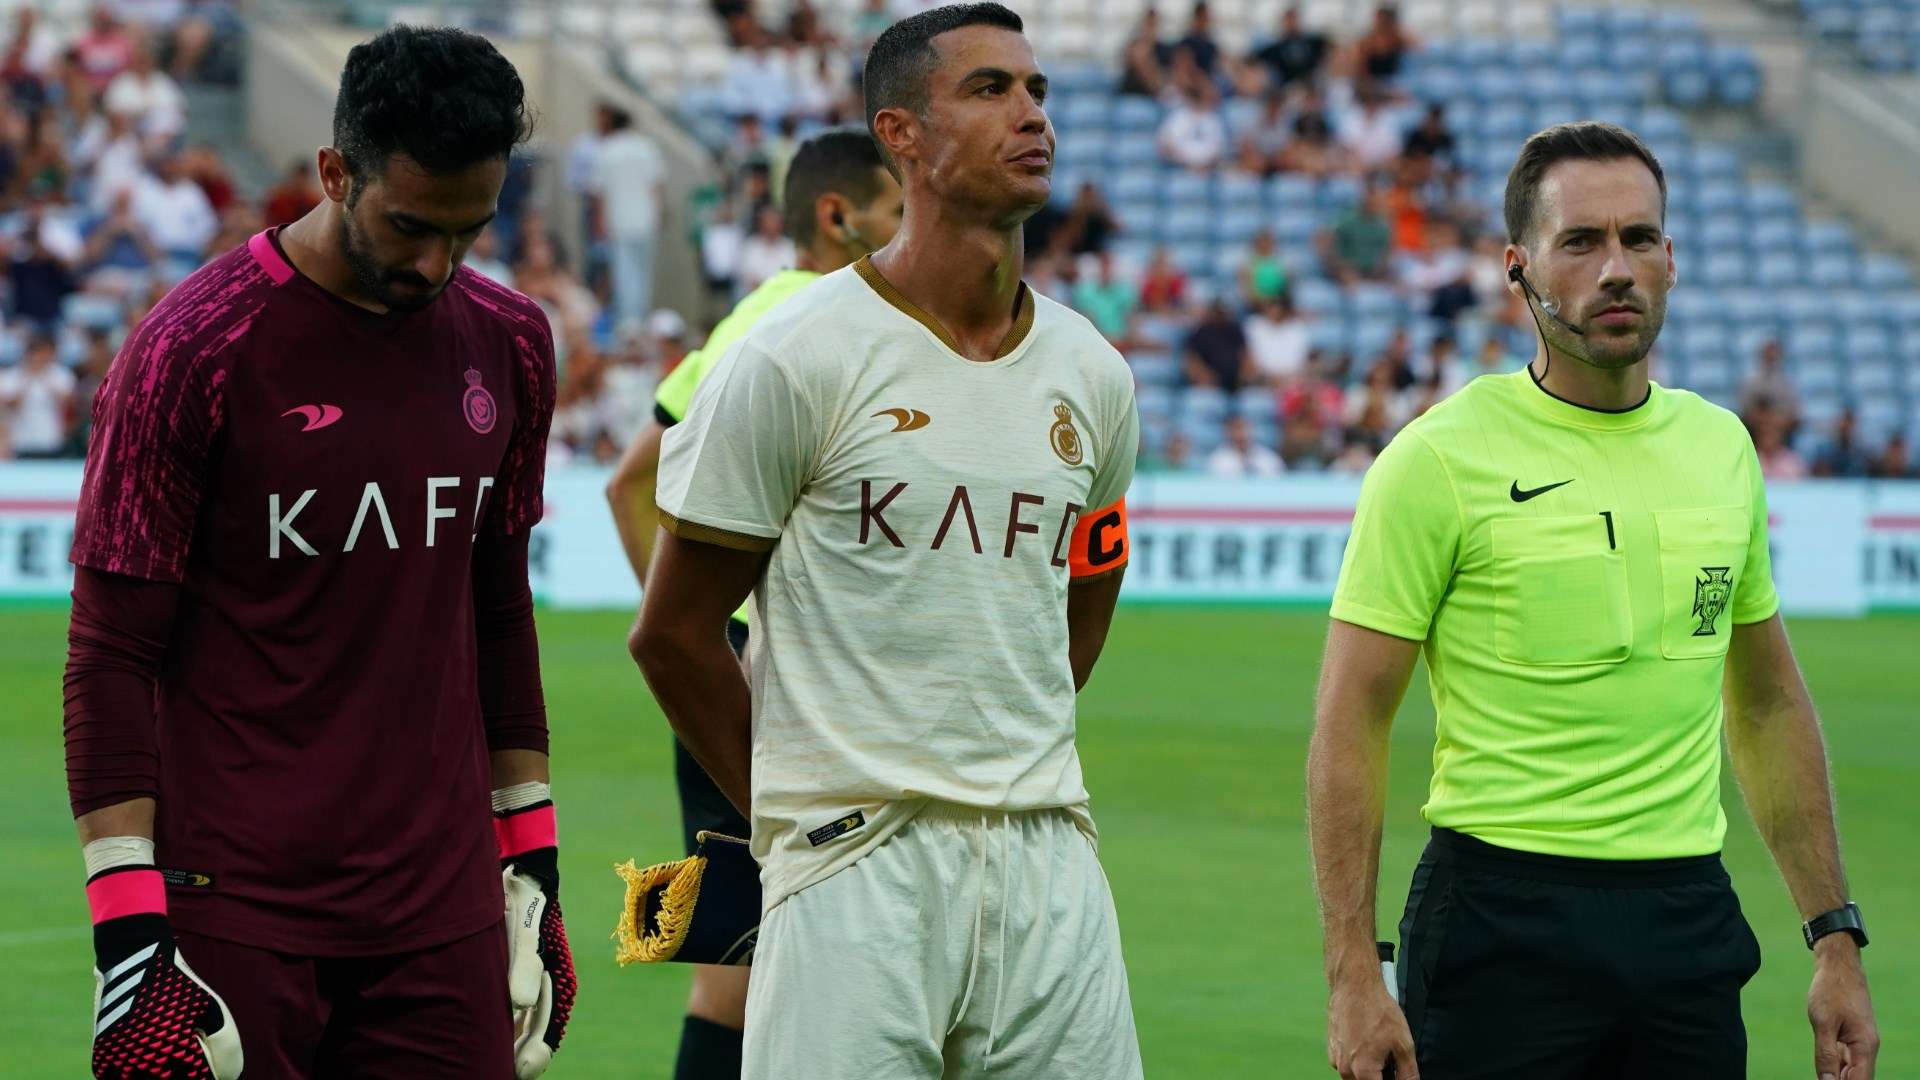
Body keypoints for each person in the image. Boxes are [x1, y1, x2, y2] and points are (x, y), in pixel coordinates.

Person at [633, 6, 1143, 1078]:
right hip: (854, 864)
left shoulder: (1094, 373)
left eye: (1038, 90)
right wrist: (794, 823)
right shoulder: (793, 356)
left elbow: (1090, 585)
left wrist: (1012, 737)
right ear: (900, 135)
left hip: (1050, 855)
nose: (1032, 114)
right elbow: (674, 636)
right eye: (991, 90)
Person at [1309, 122, 1878, 1080]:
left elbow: (1770, 704)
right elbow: (1350, 723)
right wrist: (1354, 977)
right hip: (1501, 923)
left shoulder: (1721, 450)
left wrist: (1834, 940)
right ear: (1518, 269)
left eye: (1639, 238)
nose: (1617, 267)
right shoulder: (1438, 461)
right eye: (1581, 242)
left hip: (1687, 922)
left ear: (1672, 260)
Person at [62, 26, 576, 1079]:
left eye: (469, 230)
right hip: (235, 908)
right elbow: (111, 651)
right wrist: (127, 940)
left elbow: (498, 608)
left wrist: (534, 866)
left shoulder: (513, 339)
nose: (437, 264)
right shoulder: (192, 348)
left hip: (444, 906)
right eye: (409, 225)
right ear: (334, 172)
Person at [604, 127, 904, 1080]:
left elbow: (628, 484)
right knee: (762, 957)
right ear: (837, 215)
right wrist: (714, 632)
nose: (909, 231)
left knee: (743, 953)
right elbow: (630, 484)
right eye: (897, 212)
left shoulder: (760, 314)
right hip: (777, 691)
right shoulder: (798, 322)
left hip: (765, 685)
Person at [590, 105, 667, 334]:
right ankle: (638, 323)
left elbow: (599, 193)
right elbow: (656, 186)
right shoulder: (646, 147)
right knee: (643, 274)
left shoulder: (607, 150)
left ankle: (629, 325)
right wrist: (659, 215)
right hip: (645, 220)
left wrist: (599, 222)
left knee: (625, 274)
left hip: (620, 221)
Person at [0, 330, 76, 457]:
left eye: (46, 353)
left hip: (51, 440)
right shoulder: (11, 376)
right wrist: (28, 378)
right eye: (39, 353)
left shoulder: (61, 374)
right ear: (29, 354)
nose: (42, 357)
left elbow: (67, 402)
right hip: (20, 442)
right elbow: (9, 404)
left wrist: (44, 377)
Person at [1249, 6, 1329, 92]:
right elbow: (1255, 58)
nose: (1292, 23)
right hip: (1286, 89)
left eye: (1294, 19)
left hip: (1312, 87)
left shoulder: (1313, 42)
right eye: (1288, 20)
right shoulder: (1276, 48)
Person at [1206, 413, 1284, 476]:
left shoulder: (1269, 458)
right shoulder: (1217, 460)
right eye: (1236, 429)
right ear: (1228, 432)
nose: (1241, 434)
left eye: (1245, 428)